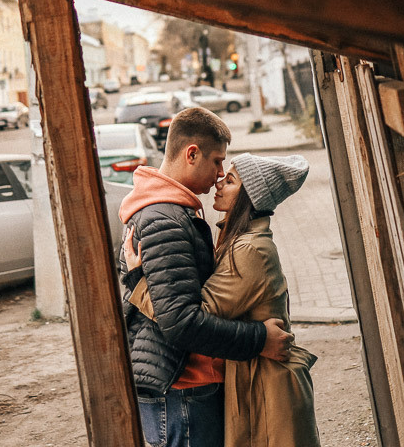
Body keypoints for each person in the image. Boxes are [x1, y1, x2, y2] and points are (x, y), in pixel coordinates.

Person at [119, 107, 294, 447]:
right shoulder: (165, 220)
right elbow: (181, 322)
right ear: (192, 154)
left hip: (184, 385)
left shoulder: (174, 212)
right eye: (217, 162)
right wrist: (260, 339)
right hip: (184, 389)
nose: (219, 174)